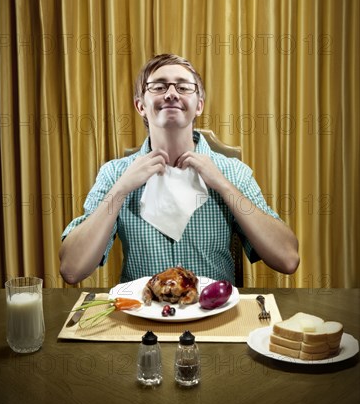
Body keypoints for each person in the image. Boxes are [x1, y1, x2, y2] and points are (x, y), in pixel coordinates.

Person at [59, 54, 299, 284]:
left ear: (199, 106)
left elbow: (287, 259)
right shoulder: (114, 173)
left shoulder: (233, 172)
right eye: (159, 87)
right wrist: (121, 189)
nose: (171, 94)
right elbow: (72, 269)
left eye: (184, 87)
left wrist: (224, 185)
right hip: (140, 319)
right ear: (140, 106)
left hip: (215, 318)